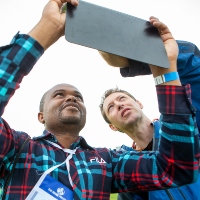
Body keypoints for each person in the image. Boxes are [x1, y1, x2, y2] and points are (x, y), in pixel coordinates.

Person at [0, 1, 199, 200]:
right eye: (59, 95)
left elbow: (176, 168)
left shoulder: (107, 161)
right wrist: (46, 29)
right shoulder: (16, 148)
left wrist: (165, 71)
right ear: (41, 116)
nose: (71, 97)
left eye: (78, 97)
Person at [99, 35, 200, 200]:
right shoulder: (128, 171)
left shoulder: (185, 123)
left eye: (122, 98)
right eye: (111, 107)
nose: (118, 104)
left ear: (139, 103)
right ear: (113, 126)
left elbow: (194, 67)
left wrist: (144, 56)